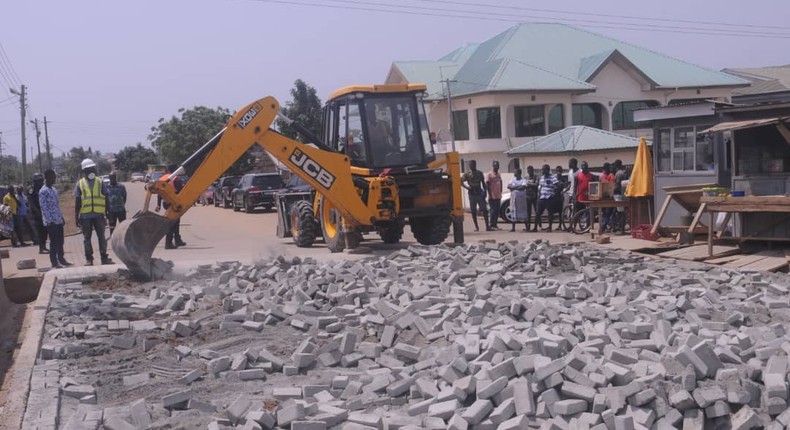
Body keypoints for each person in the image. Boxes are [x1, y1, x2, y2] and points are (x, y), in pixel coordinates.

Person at [74, 158, 113, 266]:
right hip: (85, 216)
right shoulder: (80, 184)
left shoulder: (100, 182)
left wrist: (108, 213)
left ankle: (104, 257)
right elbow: (77, 202)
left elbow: (106, 198)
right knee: (87, 239)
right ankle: (89, 259)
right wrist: (76, 217)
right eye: (88, 169)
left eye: (92, 168)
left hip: (99, 215)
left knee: (101, 237)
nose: (91, 171)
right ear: (84, 171)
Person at [39, 169, 72, 268]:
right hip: (51, 222)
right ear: (47, 177)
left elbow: (56, 205)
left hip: (58, 220)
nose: (55, 179)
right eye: (53, 177)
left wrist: (61, 217)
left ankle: (62, 259)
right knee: (53, 242)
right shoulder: (43, 191)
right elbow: (43, 208)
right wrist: (50, 220)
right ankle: (54, 262)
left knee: (60, 241)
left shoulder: (53, 190)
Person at [156, 165, 187, 249]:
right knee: (173, 223)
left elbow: (159, 193)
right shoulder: (176, 179)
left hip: (165, 202)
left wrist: (158, 204)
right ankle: (168, 243)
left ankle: (177, 240)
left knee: (176, 222)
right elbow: (181, 191)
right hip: (174, 202)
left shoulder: (162, 178)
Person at [461, 160, 491, 232]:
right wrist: (467, 187)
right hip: (472, 193)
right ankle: (476, 227)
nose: (471, 166)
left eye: (473, 164)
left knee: (484, 210)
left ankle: (487, 226)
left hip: (479, 192)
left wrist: (485, 192)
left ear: (475, 165)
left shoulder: (479, 173)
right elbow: (460, 181)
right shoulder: (467, 174)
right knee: (473, 211)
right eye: (470, 165)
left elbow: (483, 183)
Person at [28, 173, 49, 254]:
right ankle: (41, 248)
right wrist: (37, 213)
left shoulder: (43, 189)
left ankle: (44, 246)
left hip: (44, 212)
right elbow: (31, 203)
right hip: (37, 214)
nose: (40, 182)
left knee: (45, 231)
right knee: (40, 231)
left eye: (41, 181)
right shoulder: (31, 190)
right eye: (38, 181)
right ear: (34, 181)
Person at [535, 165, 559, 231]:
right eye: (542, 169)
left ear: (547, 170)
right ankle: (535, 227)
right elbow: (540, 187)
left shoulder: (552, 177)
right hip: (542, 197)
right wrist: (539, 195)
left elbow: (558, 185)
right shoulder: (542, 178)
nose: (542, 171)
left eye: (544, 170)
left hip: (549, 197)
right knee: (538, 213)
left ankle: (550, 227)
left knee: (550, 213)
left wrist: (554, 194)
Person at [106, 171, 127, 236]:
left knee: (123, 227)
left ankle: (124, 240)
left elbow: (124, 196)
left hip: (121, 210)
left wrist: (122, 204)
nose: (113, 179)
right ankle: (113, 240)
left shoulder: (121, 186)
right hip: (111, 211)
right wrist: (106, 210)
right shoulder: (106, 187)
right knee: (112, 227)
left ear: (116, 178)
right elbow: (105, 199)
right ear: (109, 178)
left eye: (114, 177)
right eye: (111, 178)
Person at [485, 161, 503, 230]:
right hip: (492, 196)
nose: (497, 167)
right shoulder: (489, 174)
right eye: (495, 166)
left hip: (498, 195)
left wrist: (500, 191)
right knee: (493, 211)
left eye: (498, 166)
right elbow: (487, 185)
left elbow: (500, 182)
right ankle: (491, 224)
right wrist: (490, 195)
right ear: (493, 166)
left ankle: (495, 224)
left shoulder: (498, 174)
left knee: (497, 211)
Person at [599, 163, 615, 232]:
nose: (610, 169)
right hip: (605, 197)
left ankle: (605, 225)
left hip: (606, 197)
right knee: (607, 213)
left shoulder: (607, 175)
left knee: (607, 213)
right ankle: (603, 226)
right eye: (609, 167)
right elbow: (608, 186)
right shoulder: (603, 175)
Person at [565, 158, 580, 231]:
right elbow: (570, 183)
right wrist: (565, 190)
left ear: (574, 164)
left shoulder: (580, 172)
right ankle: (570, 225)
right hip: (570, 193)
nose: (569, 165)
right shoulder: (570, 172)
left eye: (570, 163)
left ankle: (574, 226)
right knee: (570, 210)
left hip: (576, 194)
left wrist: (576, 193)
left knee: (575, 210)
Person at [552, 166, 568, 231]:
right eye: (557, 171)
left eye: (560, 171)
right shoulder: (553, 178)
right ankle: (550, 225)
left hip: (560, 197)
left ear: (562, 171)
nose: (558, 172)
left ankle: (560, 225)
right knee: (551, 211)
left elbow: (567, 185)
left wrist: (564, 190)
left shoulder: (564, 179)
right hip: (554, 196)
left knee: (560, 212)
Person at [524, 166, 539, 232]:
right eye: (528, 170)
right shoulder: (526, 177)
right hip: (527, 196)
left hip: (534, 197)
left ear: (533, 170)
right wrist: (530, 184)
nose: (530, 172)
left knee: (537, 212)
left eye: (531, 170)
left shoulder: (536, 177)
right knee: (528, 213)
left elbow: (536, 184)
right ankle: (528, 227)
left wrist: (529, 184)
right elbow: (524, 185)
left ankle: (535, 227)